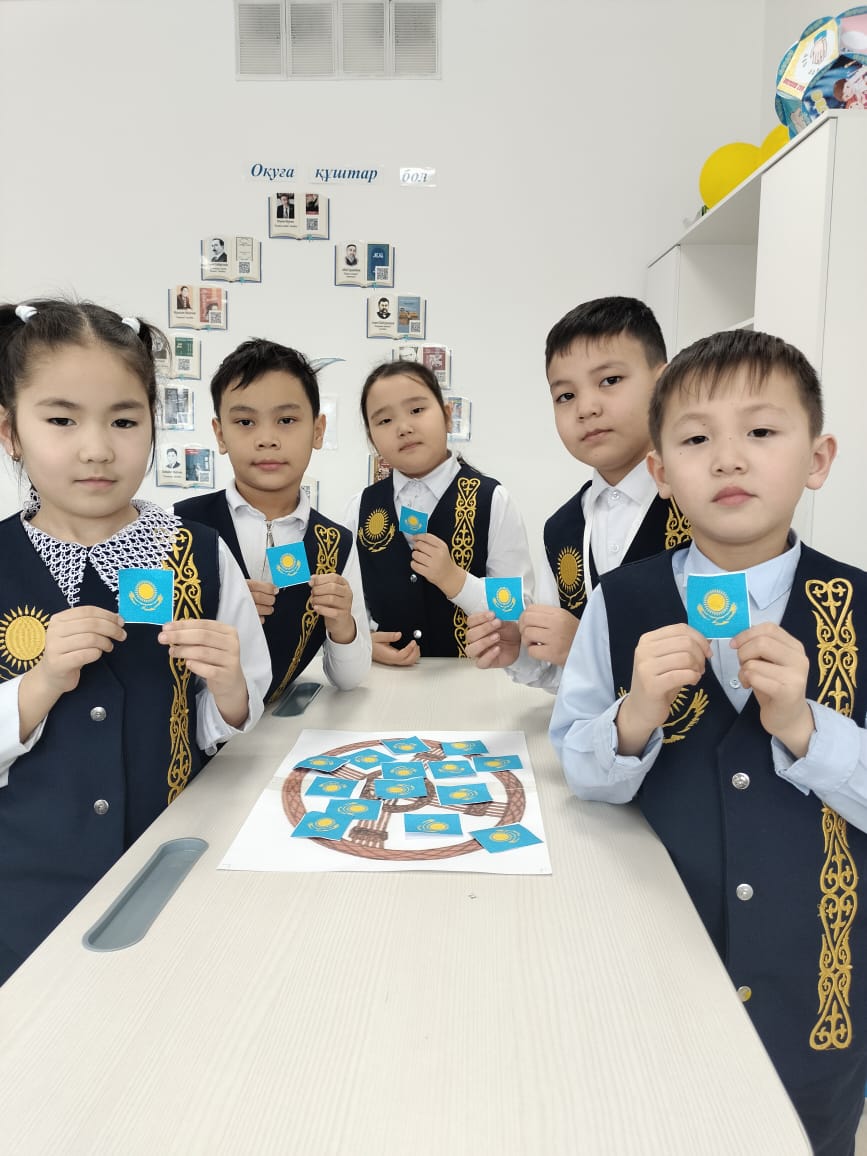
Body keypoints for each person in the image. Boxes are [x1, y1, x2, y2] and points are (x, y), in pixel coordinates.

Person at [550, 328, 867, 1156]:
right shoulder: (621, 602)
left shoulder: (859, 604)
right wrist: (633, 716)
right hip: (656, 969)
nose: (728, 458)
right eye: (695, 440)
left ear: (817, 458)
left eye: (760, 431)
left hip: (817, 989)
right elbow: (578, 763)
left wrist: (803, 727)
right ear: (661, 473)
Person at [0, 299, 271, 985]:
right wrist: (37, 685)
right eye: (61, 420)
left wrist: (230, 690)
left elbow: (232, 720)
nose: (97, 448)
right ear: (10, 432)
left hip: (172, 880)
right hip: (25, 902)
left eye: (124, 420)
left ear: (154, 424)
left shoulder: (202, 554)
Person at [467, 296, 690, 690]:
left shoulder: (703, 509)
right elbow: (564, 675)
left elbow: (732, 661)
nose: (586, 408)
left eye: (610, 380)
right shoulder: (562, 529)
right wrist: (522, 652)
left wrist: (588, 647)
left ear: (664, 383)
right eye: (565, 396)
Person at [174, 339, 370, 702]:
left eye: (287, 420)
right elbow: (142, 651)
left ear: (318, 431)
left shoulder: (336, 544)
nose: (267, 439)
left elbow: (350, 679)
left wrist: (342, 622)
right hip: (192, 731)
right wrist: (219, 609)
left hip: (278, 731)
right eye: (245, 422)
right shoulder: (178, 526)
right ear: (220, 434)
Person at [344, 360, 533, 666]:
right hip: (387, 683)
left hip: (476, 679)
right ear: (371, 438)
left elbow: (518, 609)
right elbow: (350, 602)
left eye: (417, 410)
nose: (404, 428)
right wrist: (364, 641)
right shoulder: (359, 508)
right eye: (385, 420)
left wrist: (455, 580)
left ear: (447, 417)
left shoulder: (493, 500)